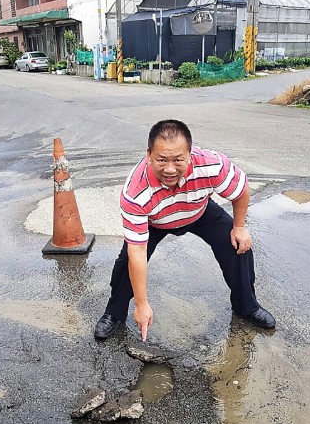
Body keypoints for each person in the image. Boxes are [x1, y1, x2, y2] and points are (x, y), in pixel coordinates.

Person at [94, 119, 276, 341]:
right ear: (149, 154)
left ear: (190, 154)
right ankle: (114, 314)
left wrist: (239, 226)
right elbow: (137, 252)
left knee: (238, 245)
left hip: (199, 211)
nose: (170, 169)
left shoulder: (211, 164)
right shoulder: (135, 190)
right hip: (155, 221)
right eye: (161, 160)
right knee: (127, 263)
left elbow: (241, 189)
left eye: (178, 160)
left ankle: (247, 306)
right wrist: (142, 305)